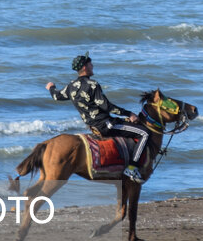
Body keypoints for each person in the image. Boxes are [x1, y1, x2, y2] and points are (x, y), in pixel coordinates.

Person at [45, 52, 149, 183]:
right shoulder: (92, 85)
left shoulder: (71, 86)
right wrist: (129, 114)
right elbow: (106, 106)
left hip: (93, 126)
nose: (92, 65)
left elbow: (56, 96)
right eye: (90, 63)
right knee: (144, 133)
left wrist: (51, 87)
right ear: (84, 67)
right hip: (106, 125)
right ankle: (132, 168)